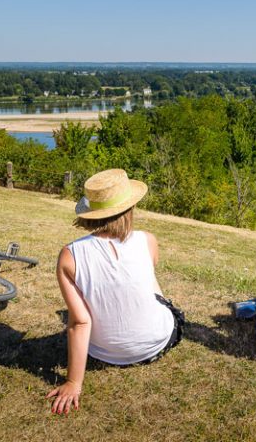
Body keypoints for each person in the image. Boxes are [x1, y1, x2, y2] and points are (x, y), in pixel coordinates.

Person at [46, 169, 183, 415]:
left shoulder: (69, 255)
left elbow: (80, 322)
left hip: (104, 352)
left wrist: (74, 382)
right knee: (153, 287)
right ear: (130, 208)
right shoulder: (147, 240)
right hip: (157, 342)